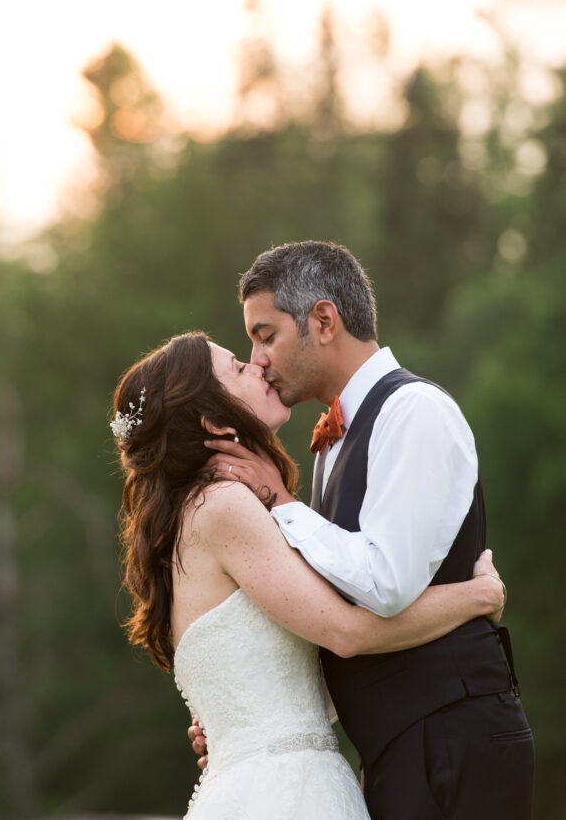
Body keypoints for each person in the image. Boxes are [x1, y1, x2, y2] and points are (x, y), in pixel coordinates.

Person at [197, 240, 534, 820]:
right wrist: (247, 710)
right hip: (398, 747)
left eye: (265, 334)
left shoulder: (414, 412)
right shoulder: (333, 445)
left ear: (323, 320)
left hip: (455, 737)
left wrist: (280, 503)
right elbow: (335, 611)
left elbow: (384, 583)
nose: (257, 359)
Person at [111, 330, 505, 820]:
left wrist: (234, 725)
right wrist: (477, 596)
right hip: (285, 793)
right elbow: (346, 631)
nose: (256, 366)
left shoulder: (197, 510)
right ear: (212, 419)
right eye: (237, 367)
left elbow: (289, 667)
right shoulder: (223, 505)